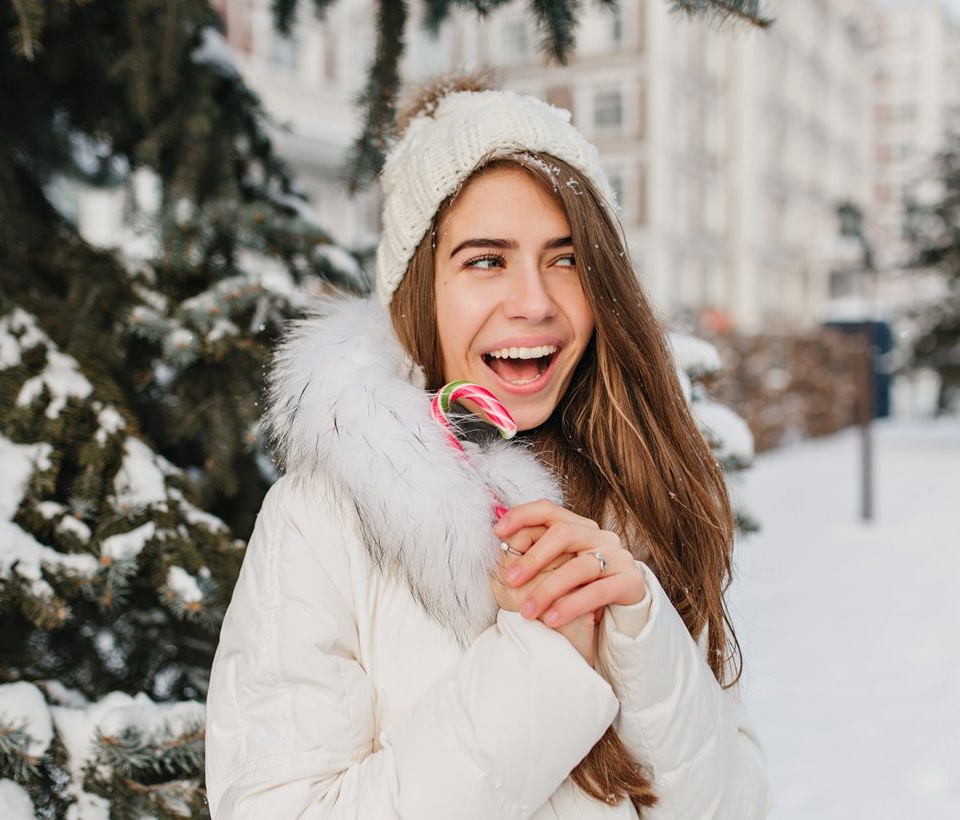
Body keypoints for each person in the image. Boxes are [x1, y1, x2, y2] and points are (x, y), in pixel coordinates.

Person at [204, 72, 774, 819]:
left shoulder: (638, 494)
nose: (535, 302)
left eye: (566, 259)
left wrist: (640, 628)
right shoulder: (322, 521)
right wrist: (544, 658)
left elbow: (737, 804)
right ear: (419, 290)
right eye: (485, 259)